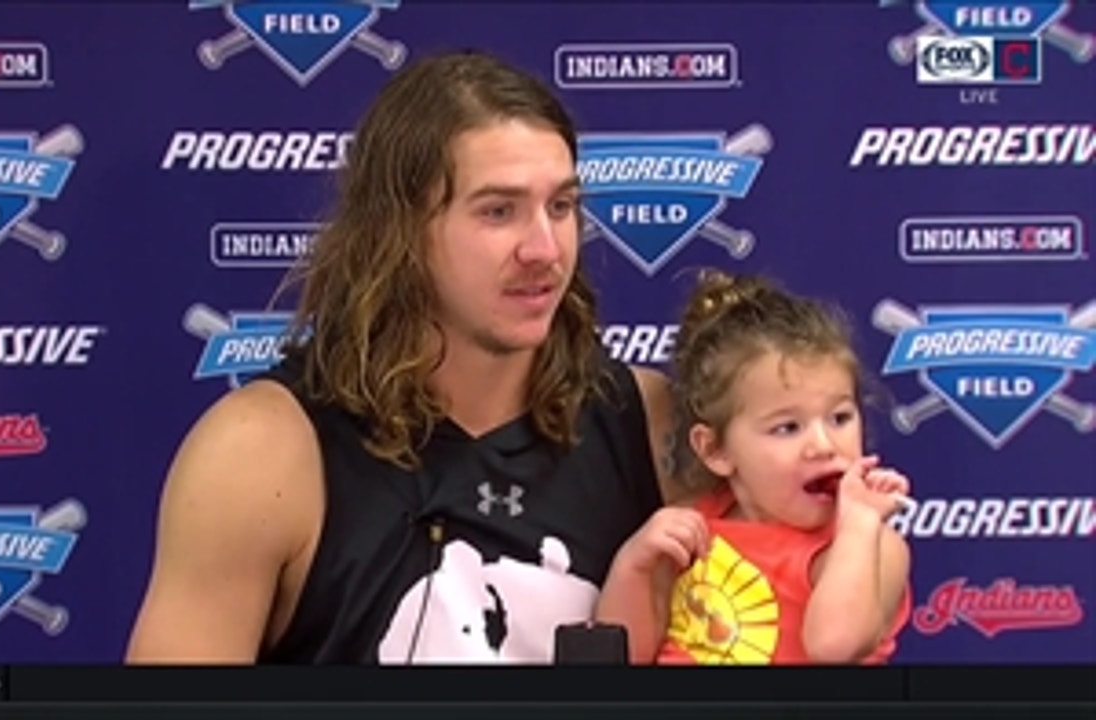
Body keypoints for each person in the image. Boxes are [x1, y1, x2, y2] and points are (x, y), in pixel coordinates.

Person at [125, 50, 674, 664]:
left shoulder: (650, 426)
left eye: (562, 206)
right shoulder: (262, 453)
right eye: (499, 211)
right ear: (400, 230)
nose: (544, 248)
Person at [596, 271, 913, 664]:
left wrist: (859, 524)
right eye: (787, 428)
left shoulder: (872, 547)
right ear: (715, 450)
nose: (823, 445)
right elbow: (619, 655)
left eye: (840, 418)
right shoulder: (687, 527)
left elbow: (833, 646)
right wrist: (634, 564)